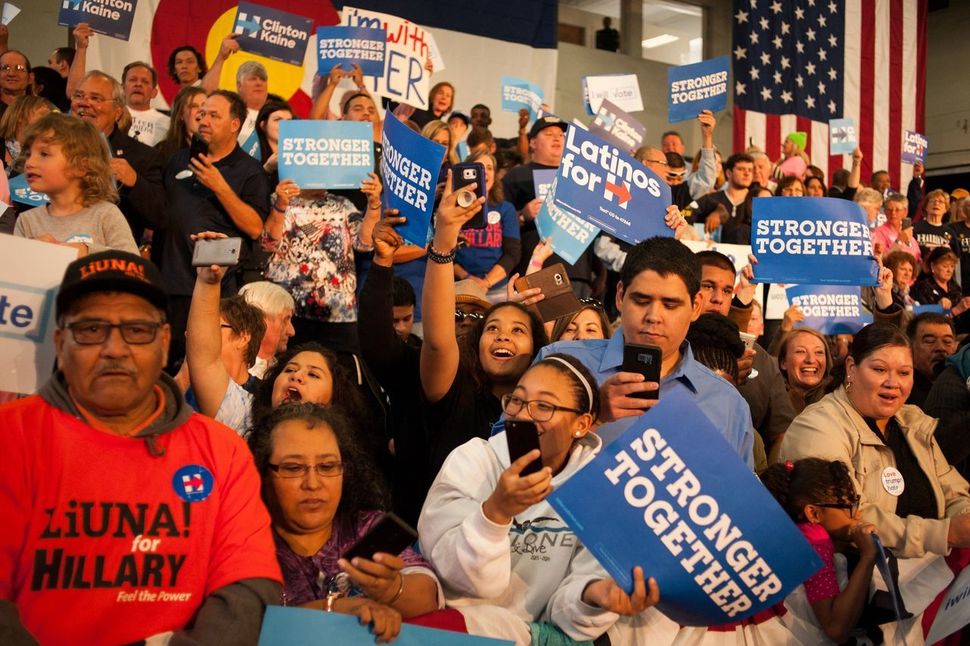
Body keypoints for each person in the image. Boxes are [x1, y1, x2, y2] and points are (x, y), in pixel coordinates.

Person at [0, 250, 282, 644]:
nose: (115, 349)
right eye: (91, 329)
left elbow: (249, 588)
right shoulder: (9, 438)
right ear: (60, 343)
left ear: (165, 343)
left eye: (137, 330)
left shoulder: (222, 451)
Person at [419, 354, 659, 643]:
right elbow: (460, 580)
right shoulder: (473, 460)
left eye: (544, 406)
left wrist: (593, 595)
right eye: (517, 401)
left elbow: (567, 621)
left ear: (581, 424)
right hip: (450, 629)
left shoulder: (602, 490)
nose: (522, 415)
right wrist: (495, 513)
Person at [536, 237, 755, 466]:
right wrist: (593, 415)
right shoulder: (558, 364)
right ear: (620, 296)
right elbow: (506, 457)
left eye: (670, 305)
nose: (653, 316)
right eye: (641, 301)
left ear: (696, 306)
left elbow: (738, 498)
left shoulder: (729, 404)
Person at [247, 404, 440, 641]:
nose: (313, 483)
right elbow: (240, 626)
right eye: (294, 468)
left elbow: (428, 597)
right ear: (261, 473)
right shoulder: (245, 543)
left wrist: (391, 590)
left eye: (327, 466)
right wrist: (334, 609)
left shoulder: (366, 527)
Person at [778, 323, 970, 558]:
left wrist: (965, 519)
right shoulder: (816, 426)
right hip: (858, 580)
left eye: (904, 373)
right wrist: (943, 534)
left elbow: (954, 493)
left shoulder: (914, 421)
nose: (893, 383)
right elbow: (846, 516)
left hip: (933, 576)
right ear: (851, 367)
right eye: (879, 370)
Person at [420, 178, 548, 475]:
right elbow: (438, 340)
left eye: (518, 330)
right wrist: (444, 240)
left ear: (537, 349)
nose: (503, 334)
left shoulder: (543, 409)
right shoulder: (453, 392)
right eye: (491, 328)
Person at [161, 89, 270, 369]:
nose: (204, 120)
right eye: (202, 114)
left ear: (235, 124)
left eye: (213, 115)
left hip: (218, 288)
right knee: (171, 364)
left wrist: (219, 185)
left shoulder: (250, 170)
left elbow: (255, 227)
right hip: (173, 285)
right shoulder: (178, 160)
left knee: (209, 365)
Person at [262, 170, 382, 351]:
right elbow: (268, 243)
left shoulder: (343, 205)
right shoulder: (278, 199)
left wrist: (374, 205)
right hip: (288, 313)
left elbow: (365, 245)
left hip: (337, 312)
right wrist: (280, 205)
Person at [761, 459, 878, 644]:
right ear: (813, 513)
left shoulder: (791, 533)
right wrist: (868, 557)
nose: (858, 515)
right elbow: (835, 628)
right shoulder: (815, 540)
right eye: (848, 507)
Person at [70, 69, 167, 255]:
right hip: (54, 250)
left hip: (112, 260)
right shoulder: (51, 147)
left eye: (96, 98)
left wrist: (135, 181)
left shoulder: (143, 156)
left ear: (117, 112)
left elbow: (160, 217)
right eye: (79, 95)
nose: (85, 103)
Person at [13, 112, 137, 256]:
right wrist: (30, 253)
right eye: (28, 154)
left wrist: (87, 251)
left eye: (44, 154)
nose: (29, 163)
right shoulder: (27, 221)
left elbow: (133, 267)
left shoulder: (106, 215)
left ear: (81, 167)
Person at [184, 245, 266, 434]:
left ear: (243, 337)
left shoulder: (263, 399)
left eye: (213, 328)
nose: (192, 334)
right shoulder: (184, 392)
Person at [453, 150, 520, 295]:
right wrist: (468, 279)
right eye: (480, 168)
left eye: (489, 168)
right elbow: (444, 250)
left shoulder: (505, 209)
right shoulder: (454, 207)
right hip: (460, 285)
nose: (485, 172)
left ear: (495, 175)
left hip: (497, 288)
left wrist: (486, 282)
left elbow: (513, 253)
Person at [239, 280, 296, 378]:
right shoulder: (234, 374)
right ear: (260, 320)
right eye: (285, 320)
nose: (292, 332)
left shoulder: (284, 372)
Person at [691, 152, 754, 235]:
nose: (747, 173)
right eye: (741, 169)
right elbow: (686, 217)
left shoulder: (757, 202)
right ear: (728, 173)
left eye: (750, 170)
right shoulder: (710, 199)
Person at [905, 312, 958, 408]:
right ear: (910, 346)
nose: (941, 347)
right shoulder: (902, 392)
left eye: (947, 341)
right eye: (929, 341)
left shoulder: (961, 383)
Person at [778, 327, 832, 415]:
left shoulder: (841, 401)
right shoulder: (770, 405)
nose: (811, 360)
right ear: (783, 362)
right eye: (801, 351)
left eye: (818, 352)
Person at [0, 94, 53, 174]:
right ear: (20, 115)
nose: (49, 120)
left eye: (50, 116)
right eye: (43, 114)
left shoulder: (49, 150)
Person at [155, 84, 206, 165]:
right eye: (193, 106)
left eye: (205, 106)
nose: (201, 110)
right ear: (181, 114)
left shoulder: (219, 149)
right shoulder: (163, 151)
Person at [122, 61, 169, 146]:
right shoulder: (111, 116)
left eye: (145, 82)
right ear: (123, 88)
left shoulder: (167, 123)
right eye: (133, 80)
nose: (138, 84)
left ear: (154, 93)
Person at [871, 193, 921, 263]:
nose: (893, 213)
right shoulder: (877, 233)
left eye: (897, 210)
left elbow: (917, 260)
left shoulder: (909, 235)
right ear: (885, 211)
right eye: (889, 209)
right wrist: (899, 241)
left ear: (905, 212)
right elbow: (880, 260)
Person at [255, 100, 293, 180]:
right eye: (278, 120)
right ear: (263, 125)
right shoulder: (252, 157)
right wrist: (267, 169)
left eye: (289, 121)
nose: (284, 125)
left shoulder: (301, 156)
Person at [914, 189, 955, 261]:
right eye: (932, 201)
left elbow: (955, 258)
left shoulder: (950, 232)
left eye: (941, 202)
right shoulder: (915, 228)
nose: (936, 203)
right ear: (926, 207)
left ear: (946, 209)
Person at [0, 50, 31, 119]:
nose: (11, 74)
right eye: (5, 68)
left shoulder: (39, 109)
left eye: (19, 68)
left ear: (30, 77)